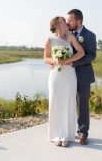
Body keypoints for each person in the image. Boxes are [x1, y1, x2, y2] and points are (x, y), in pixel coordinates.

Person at [44, 16, 85, 147]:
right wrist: (56, 61)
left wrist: (66, 61)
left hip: (69, 75)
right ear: (57, 24)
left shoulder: (71, 37)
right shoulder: (50, 39)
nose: (66, 23)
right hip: (55, 75)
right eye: (63, 21)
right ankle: (56, 135)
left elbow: (81, 53)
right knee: (55, 102)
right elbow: (46, 58)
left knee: (68, 103)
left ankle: (66, 135)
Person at [66, 9, 96, 145]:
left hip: (83, 76)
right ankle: (66, 131)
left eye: (70, 20)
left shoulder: (90, 35)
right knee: (67, 104)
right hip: (66, 75)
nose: (68, 22)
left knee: (82, 105)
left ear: (79, 21)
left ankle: (83, 133)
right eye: (67, 20)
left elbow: (91, 56)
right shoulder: (65, 35)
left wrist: (73, 62)